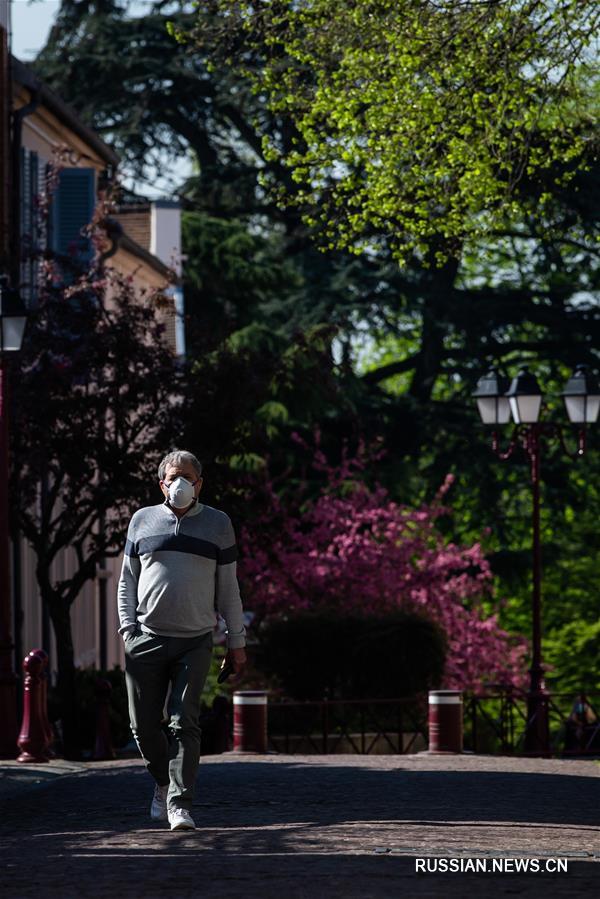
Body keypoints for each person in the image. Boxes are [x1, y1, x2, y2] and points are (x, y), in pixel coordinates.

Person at [117, 449, 247, 831]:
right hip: (146, 638)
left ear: (200, 483)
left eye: (189, 477)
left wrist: (235, 642)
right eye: (174, 476)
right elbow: (126, 580)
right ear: (162, 483)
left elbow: (229, 590)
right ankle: (163, 781)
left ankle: (179, 803)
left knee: (183, 721)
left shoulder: (219, 524)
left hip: (195, 639)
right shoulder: (141, 521)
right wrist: (128, 630)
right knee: (142, 726)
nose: (181, 483)